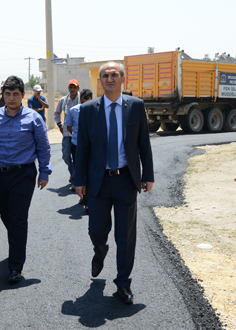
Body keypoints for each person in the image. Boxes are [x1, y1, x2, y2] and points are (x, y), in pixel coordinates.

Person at [74, 62, 154, 305]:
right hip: (97, 183)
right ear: (101, 81)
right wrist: (79, 180)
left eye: (114, 75)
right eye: (105, 76)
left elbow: (143, 143)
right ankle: (100, 251)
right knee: (96, 230)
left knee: (126, 236)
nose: (110, 79)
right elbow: (83, 148)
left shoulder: (136, 106)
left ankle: (123, 283)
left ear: (122, 79)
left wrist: (147, 174)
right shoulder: (88, 110)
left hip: (126, 182)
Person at [0, 75, 52, 284]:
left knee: (18, 218)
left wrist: (44, 172)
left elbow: (44, 148)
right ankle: (17, 240)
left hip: (23, 174)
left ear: (23, 95)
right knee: (6, 214)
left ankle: (15, 267)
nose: (11, 98)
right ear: (2, 95)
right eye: (8, 94)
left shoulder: (34, 118)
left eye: (16, 94)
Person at [64, 89, 93, 212]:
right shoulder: (73, 110)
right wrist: (77, 137)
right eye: (83, 103)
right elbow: (69, 127)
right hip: (77, 145)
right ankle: (84, 198)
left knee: (92, 172)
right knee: (81, 171)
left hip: (93, 146)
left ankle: (90, 199)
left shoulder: (97, 110)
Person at [54, 79, 81, 189]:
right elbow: (56, 114)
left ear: (78, 88)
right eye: (70, 87)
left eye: (74, 87)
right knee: (65, 156)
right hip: (66, 133)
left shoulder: (81, 101)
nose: (72, 89)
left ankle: (75, 180)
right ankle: (73, 172)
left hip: (78, 134)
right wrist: (60, 125)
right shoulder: (63, 100)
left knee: (77, 157)